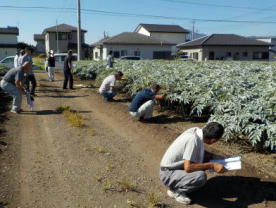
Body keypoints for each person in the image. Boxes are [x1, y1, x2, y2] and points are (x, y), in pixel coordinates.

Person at [159, 122, 226, 205]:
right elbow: (188, 167)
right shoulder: (193, 140)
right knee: (200, 176)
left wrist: (211, 156)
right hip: (167, 174)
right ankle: (175, 191)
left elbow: (195, 151)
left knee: (202, 164)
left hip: (171, 169)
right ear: (213, 140)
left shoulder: (195, 131)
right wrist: (212, 165)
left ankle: (179, 183)